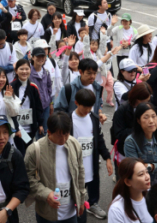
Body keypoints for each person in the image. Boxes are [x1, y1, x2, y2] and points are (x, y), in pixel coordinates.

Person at [24, 112, 87, 223]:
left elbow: (80, 173)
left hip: (70, 213)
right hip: (47, 213)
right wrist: (46, 194)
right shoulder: (35, 150)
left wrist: (81, 200)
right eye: (59, 134)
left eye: (66, 134)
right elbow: (29, 179)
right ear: (49, 132)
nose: (63, 138)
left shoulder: (74, 145)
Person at [72, 89, 112, 221]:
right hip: (75, 167)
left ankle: (92, 203)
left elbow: (99, 140)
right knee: (76, 195)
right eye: (85, 106)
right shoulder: (68, 120)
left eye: (91, 106)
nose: (88, 109)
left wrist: (107, 158)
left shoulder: (94, 118)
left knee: (93, 184)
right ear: (76, 103)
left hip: (91, 163)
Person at [124, 102, 157, 184]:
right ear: (138, 121)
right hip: (139, 188)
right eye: (146, 117)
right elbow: (136, 170)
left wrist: (149, 166)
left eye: (153, 116)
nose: (151, 121)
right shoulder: (131, 142)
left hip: (155, 186)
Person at [54, 59, 107, 125]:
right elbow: (58, 110)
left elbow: (99, 104)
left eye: (94, 73)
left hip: (92, 127)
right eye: (89, 73)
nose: (92, 76)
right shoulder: (68, 89)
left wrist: (99, 113)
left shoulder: (97, 87)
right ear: (80, 72)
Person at [10, 59, 44, 155]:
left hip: (30, 128)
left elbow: (38, 107)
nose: (24, 71)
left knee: (28, 152)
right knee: (21, 153)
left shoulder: (33, 87)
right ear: (16, 71)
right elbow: (8, 109)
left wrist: (40, 124)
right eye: (21, 69)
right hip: (17, 128)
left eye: (27, 69)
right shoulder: (10, 87)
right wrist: (16, 128)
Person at [108, 158, 152, 223]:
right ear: (128, 182)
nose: (147, 177)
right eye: (141, 174)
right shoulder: (116, 210)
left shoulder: (153, 195)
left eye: (147, 172)